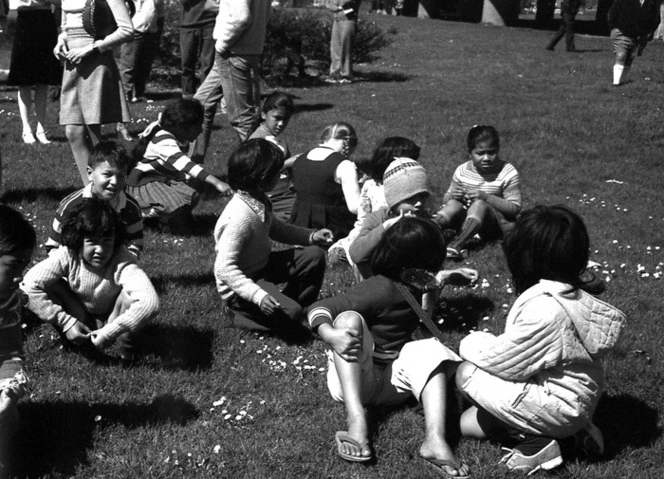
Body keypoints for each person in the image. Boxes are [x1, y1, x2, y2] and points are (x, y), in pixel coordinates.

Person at [455, 205, 627, 475]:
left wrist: (471, 342)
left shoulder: (546, 310)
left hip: (559, 405)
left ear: (523, 259)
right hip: (575, 400)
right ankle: (573, 435)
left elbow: (505, 364)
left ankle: (538, 443)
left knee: (466, 374)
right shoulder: (570, 295)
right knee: (468, 424)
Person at [307, 217, 470, 478]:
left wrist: (445, 280)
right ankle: (357, 421)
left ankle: (435, 440)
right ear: (422, 261)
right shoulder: (378, 287)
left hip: (390, 383)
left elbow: (422, 299)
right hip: (357, 381)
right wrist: (331, 334)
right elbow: (320, 308)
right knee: (348, 320)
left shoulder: (412, 283)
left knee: (429, 347)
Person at [214, 139, 332, 335]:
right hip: (242, 285)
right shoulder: (238, 218)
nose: (282, 175)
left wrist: (311, 236)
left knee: (314, 255)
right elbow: (224, 269)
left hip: (262, 266)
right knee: (290, 315)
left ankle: (293, 307)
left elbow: (276, 228)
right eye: (278, 173)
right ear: (261, 179)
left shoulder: (259, 199)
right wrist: (257, 295)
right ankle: (240, 315)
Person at [22, 198, 160, 361]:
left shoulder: (123, 260)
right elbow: (27, 285)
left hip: (112, 317)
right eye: (92, 242)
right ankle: (72, 339)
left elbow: (150, 303)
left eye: (107, 241)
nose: (100, 250)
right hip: (78, 313)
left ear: (116, 240)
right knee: (50, 285)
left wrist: (111, 331)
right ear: (79, 240)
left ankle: (126, 349)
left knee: (130, 297)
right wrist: (66, 322)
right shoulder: (68, 254)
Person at [54, 0, 133, 185]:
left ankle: (112, 188)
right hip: (72, 63)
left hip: (96, 60)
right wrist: (61, 41)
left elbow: (127, 30)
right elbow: (66, 27)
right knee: (73, 131)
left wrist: (91, 48)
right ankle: (90, 190)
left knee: (93, 132)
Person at [126, 99, 232, 235]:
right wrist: (217, 182)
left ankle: (163, 221)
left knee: (191, 196)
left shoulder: (178, 138)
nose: (201, 131)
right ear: (182, 127)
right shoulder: (164, 141)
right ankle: (140, 213)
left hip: (159, 180)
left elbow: (177, 168)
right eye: (198, 126)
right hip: (143, 183)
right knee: (176, 204)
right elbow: (186, 165)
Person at [191, 0, 271, 164]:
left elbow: (241, 17)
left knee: (242, 119)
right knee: (201, 103)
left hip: (234, 51)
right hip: (244, 48)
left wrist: (223, 44)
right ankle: (193, 169)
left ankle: (261, 172)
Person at [328, 136, 417, 269]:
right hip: (371, 231)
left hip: (398, 234)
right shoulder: (371, 186)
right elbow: (363, 217)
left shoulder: (412, 187)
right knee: (338, 253)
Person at [44, 140, 144, 258]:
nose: (115, 182)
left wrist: (125, 262)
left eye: (121, 176)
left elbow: (135, 243)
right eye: (107, 174)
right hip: (74, 264)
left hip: (114, 266)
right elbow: (53, 246)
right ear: (90, 173)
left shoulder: (130, 207)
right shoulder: (71, 206)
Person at [436, 125, 521, 260]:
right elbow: (446, 199)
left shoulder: (508, 172)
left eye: (491, 152)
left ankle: (457, 244)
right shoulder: (462, 170)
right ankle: (428, 228)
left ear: (498, 149)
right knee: (452, 203)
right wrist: (453, 195)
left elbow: (515, 208)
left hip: (495, 226)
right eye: (480, 153)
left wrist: (487, 198)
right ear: (469, 153)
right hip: (467, 220)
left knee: (479, 204)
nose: (486, 158)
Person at [0, 205, 36, 477]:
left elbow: (11, 352)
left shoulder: (9, 299)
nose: (20, 276)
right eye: (13, 265)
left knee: (8, 417)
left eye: (24, 265)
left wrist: (9, 386)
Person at [290, 122, 360, 243]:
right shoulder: (344, 165)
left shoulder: (300, 159)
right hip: (332, 227)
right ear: (349, 143)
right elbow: (355, 207)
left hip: (299, 226)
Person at [7, 0, 62, 145]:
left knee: (43, 80)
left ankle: (41, 130)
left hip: (45, 20)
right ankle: (26, 129)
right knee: (24, 80)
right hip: (25, 19)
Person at [248, 92, 296, 221]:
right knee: (304, 212)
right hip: (269, 195)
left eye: (285, 119)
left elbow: (289, 163)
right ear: (264, 114)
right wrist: (288, 163)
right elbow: (259, 174)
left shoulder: (279, 136)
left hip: (285, 191)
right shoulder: (257, 141)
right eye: (277, 118)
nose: (281, 124)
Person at [119, 0, 165, 103]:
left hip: (151, 33)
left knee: (145, 66)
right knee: (129, 65)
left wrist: (158, 33)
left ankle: (140, 93)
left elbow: (161, 15)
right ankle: (126, 94)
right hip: (134, 32)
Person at [608, 0, 661, 86]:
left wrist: (648, 33)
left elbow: (656, 19)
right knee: (621, 55)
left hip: (639, 35)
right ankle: (616, 84)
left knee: (630, 58)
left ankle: (622, 81)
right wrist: (613, 27)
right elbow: (613, 12)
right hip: (621, 31)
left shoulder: (653, 2)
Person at [179, 0, 219, 99]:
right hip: (187, 24)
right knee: (187, 62)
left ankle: (205, 96)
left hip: (210, 23)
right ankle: (188, 95)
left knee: (207, 63)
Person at [324, 0, 360, 84]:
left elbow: (346, 2)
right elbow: (330, 5)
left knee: (345, 48)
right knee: (335, 47)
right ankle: (335, 73)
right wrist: (336, 6)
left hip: (348, 20)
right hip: (337, 20)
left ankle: (345, 74)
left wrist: (337, 6)